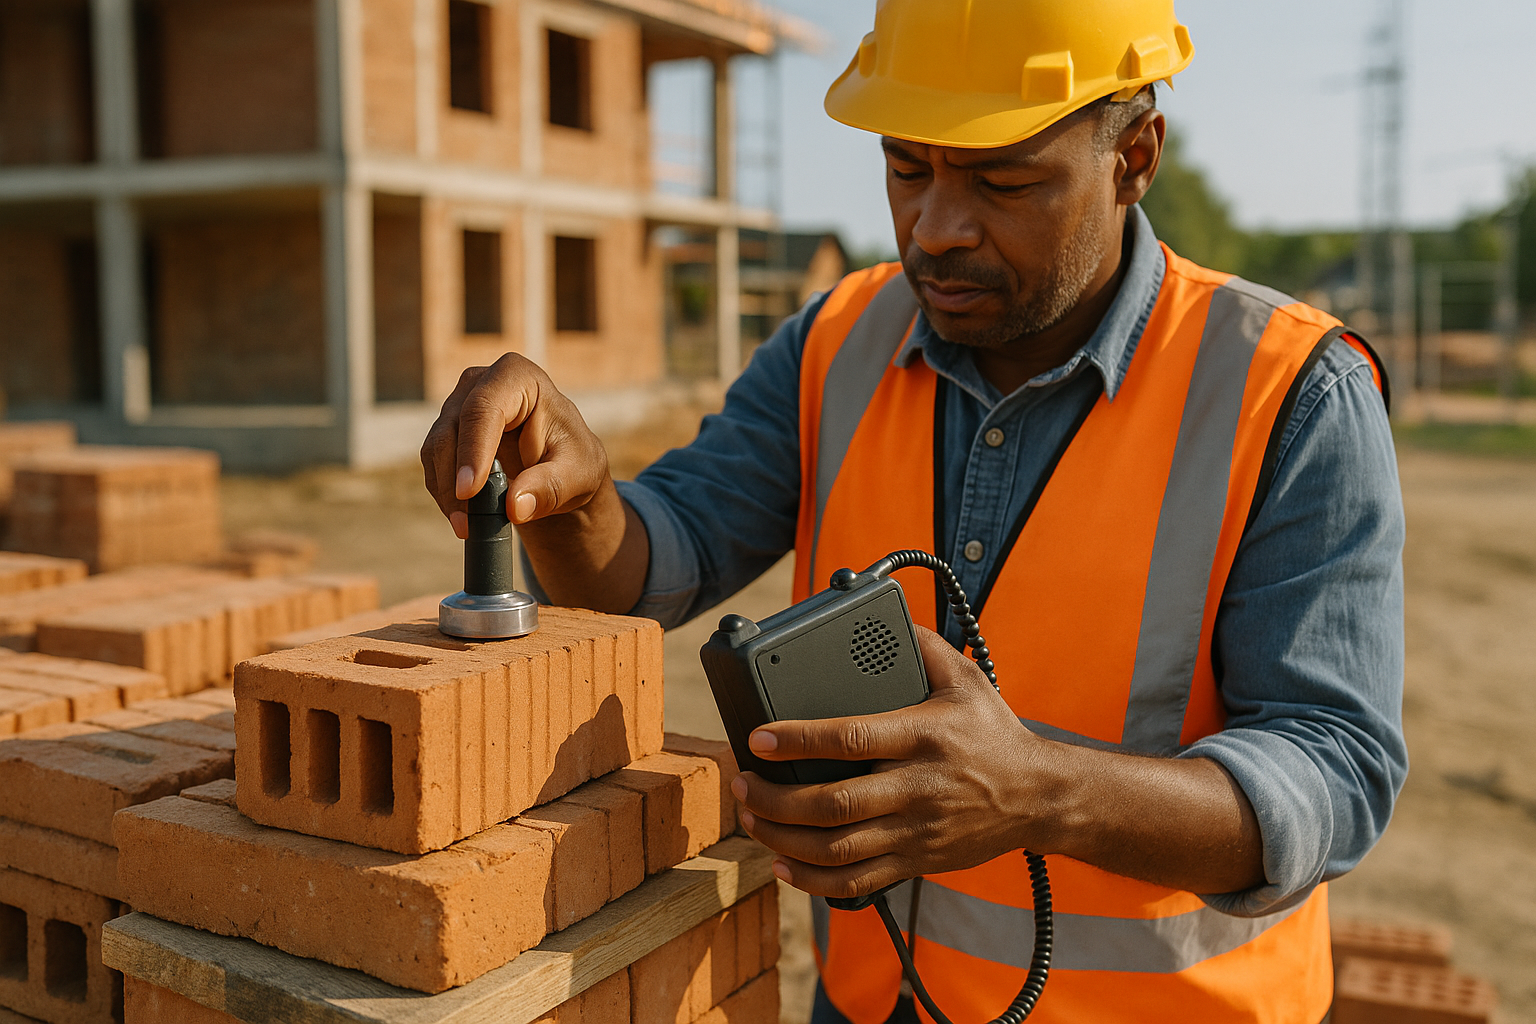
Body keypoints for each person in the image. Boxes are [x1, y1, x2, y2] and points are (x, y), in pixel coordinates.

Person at [421, 2, 1407, 1020]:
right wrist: (570, 501)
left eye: (1003, 180)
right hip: (872, 1000)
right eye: (907, 168)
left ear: (1133, 157)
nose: (936, 228)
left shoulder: (1287, 392)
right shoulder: (837, 340)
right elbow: (651, 565)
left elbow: (1333, 774)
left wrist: (1039, 790)